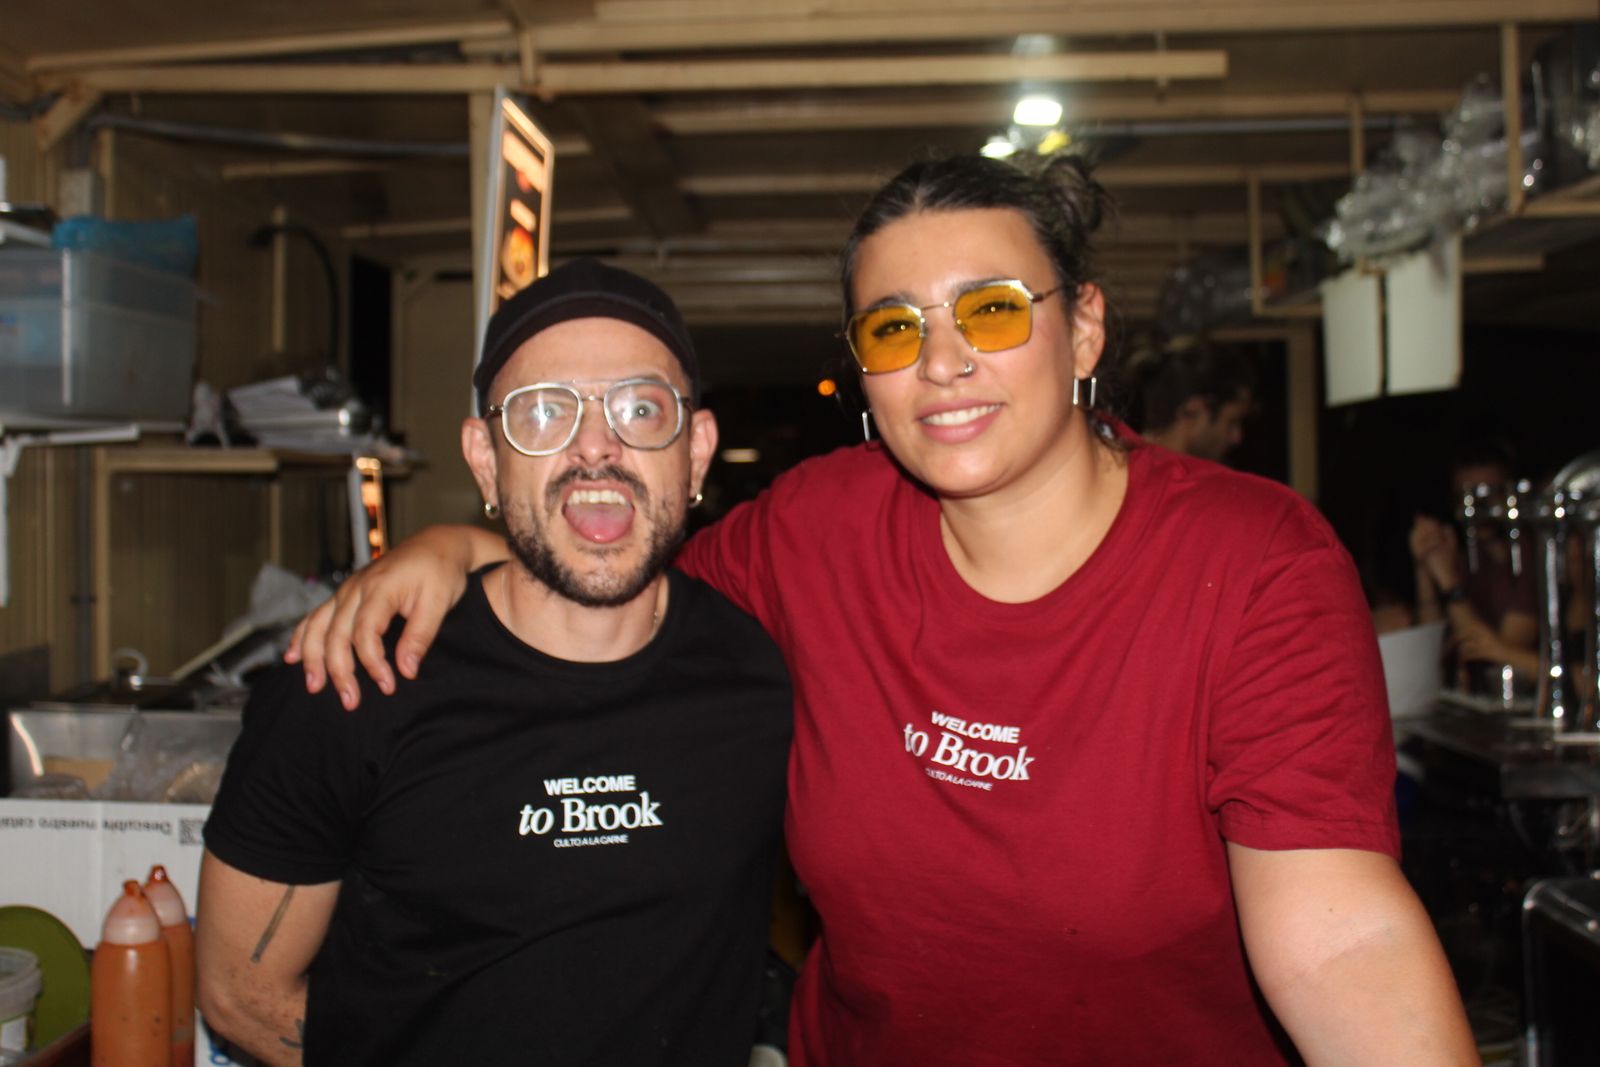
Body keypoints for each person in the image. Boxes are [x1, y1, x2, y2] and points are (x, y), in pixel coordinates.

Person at [290, 154, 1479, 1065]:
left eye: (993, 310)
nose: (942, 360)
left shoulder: (1252, 560)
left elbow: (1340, 936)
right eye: (896, 327)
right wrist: (458, 543)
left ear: (1083, 329)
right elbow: (628, 578)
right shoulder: (820, 527)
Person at [194, 260, 793, 1065]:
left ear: (696, 451)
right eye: (543, 412)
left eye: (640, 408)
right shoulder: (353, 684)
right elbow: (239, 994)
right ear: (484, 458)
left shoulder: (761, 679)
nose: (595, 447)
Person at [1410, 442, 1540, 681]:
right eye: (1466, 497)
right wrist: (1425, 568)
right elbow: (1431, 655)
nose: (1477, 508)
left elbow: (1495, 660)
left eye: (1488, 495)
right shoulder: (1468, 555)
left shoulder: (1529, 556)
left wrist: (1448, 581)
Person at [1127, 337, 1255, 461]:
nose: (1237, 437)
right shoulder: (1133, 467)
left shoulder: (1126, 463)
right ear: (1194, 410)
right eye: (1232, 421)